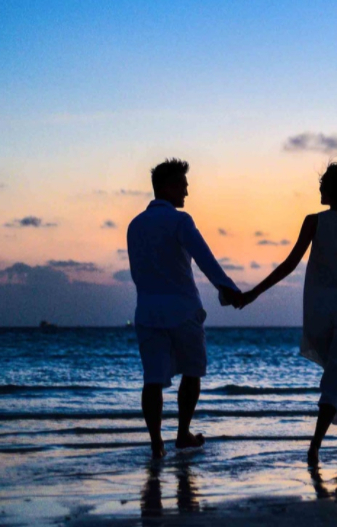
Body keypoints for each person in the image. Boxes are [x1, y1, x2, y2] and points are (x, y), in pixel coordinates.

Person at [240, 163, 337, 465]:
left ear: (335, 189)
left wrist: (253, 293)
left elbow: (289, 265)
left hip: (319, 315)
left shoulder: (314, 222)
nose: (319, 188)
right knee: (335, 380)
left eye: (323, 184)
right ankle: (314, 448)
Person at [127, 158, 242, 459]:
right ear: (167, 186)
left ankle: (156, 443)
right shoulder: (180, 221)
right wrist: (228, 289)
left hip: (148, 311)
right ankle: (182, 433)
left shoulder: (134, 225)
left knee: (153, 379)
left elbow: (137, 271)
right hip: (182, 310)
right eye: (183, 186)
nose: (186, 193)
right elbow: (204, 258)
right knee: (192, 372)